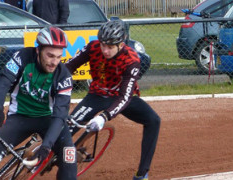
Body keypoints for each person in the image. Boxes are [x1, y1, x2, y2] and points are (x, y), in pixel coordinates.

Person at [0, 26, 77, 180]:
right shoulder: (22, 57)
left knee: (69, 156)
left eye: (58, 57)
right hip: (20, 117)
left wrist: (47, 146)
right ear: (38, 50)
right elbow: (3, 82)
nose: (54, 62)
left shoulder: (63, 76)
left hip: (49, 120)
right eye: (50, 56)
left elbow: (60, 115)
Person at [65, 20, 161, 180]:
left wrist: (105, 116)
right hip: (97, 95)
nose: (105, 50)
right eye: (103, 45)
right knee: (68, 128)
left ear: (121, 44)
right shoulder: (93, 47)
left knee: (154, 120)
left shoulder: (131, 60)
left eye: (110, 47)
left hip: (120, 97)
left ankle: (142, 173)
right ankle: (53, 155)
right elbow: (69, 66)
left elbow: (125, 97)